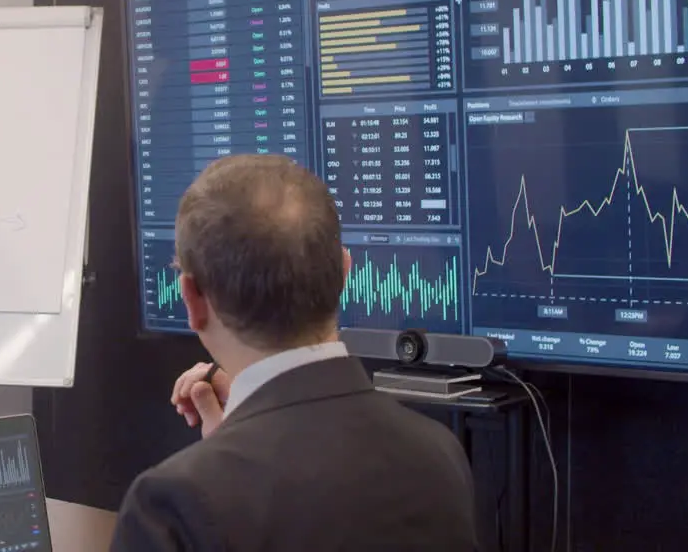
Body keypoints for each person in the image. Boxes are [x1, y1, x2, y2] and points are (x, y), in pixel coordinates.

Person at [110, 155, 476, 551]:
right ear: (344, 273)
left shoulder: (173, 504)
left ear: (192, 300)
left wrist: (224, 460)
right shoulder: (439, 453)